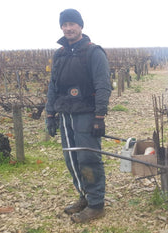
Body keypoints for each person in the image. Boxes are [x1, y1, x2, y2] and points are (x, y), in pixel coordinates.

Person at [45, 8, 112, 223]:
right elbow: (53, 85)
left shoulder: (94, 52)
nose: (68, 28)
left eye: (72, 24)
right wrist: (49, 113)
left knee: (88, 158)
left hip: (86, 114)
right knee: (71, 158)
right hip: (65, 114)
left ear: (80, 26)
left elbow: (103, 86)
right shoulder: (60, 54)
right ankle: (84, 195)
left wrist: (100, 116)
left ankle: (96, 205)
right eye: (64, 25)